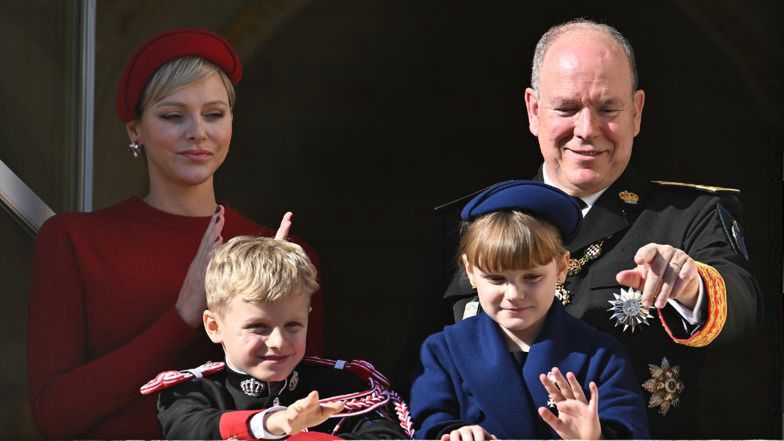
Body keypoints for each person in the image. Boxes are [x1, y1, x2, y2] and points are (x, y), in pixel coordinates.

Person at [415, 19, 761, 439]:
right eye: (566, 108)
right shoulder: (466, 225)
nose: (587, 130)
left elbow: (747, 314)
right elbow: (412, 379)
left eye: (608, 109)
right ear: (533, 110)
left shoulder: (689, 214)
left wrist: (691, 286)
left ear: (636, 112)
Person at [27, 28, 324, 439]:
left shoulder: (280, 248)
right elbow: (54, 414)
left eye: (214, 114)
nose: (198, 131)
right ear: (135, 130)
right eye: (172, 115)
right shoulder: (75, 241)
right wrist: (182, 316)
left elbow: (306, 407)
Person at [410, 180, 649, 440]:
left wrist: (594, 438)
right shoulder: (443, 351)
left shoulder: (600, 355)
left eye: (532, 277)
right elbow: (428, 422)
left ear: (561, 267)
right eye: (496, 279)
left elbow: (630, 430)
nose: (514, 295)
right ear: (469, 271)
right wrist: (453, 433)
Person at [142, 236, 412, 440]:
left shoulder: (339, 386)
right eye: (259, 326)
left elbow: (385, 435)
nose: (279, 342)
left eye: (293, 325)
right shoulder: (189, 394)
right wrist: (270, 424)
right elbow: (191, 431)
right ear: (214, 326)